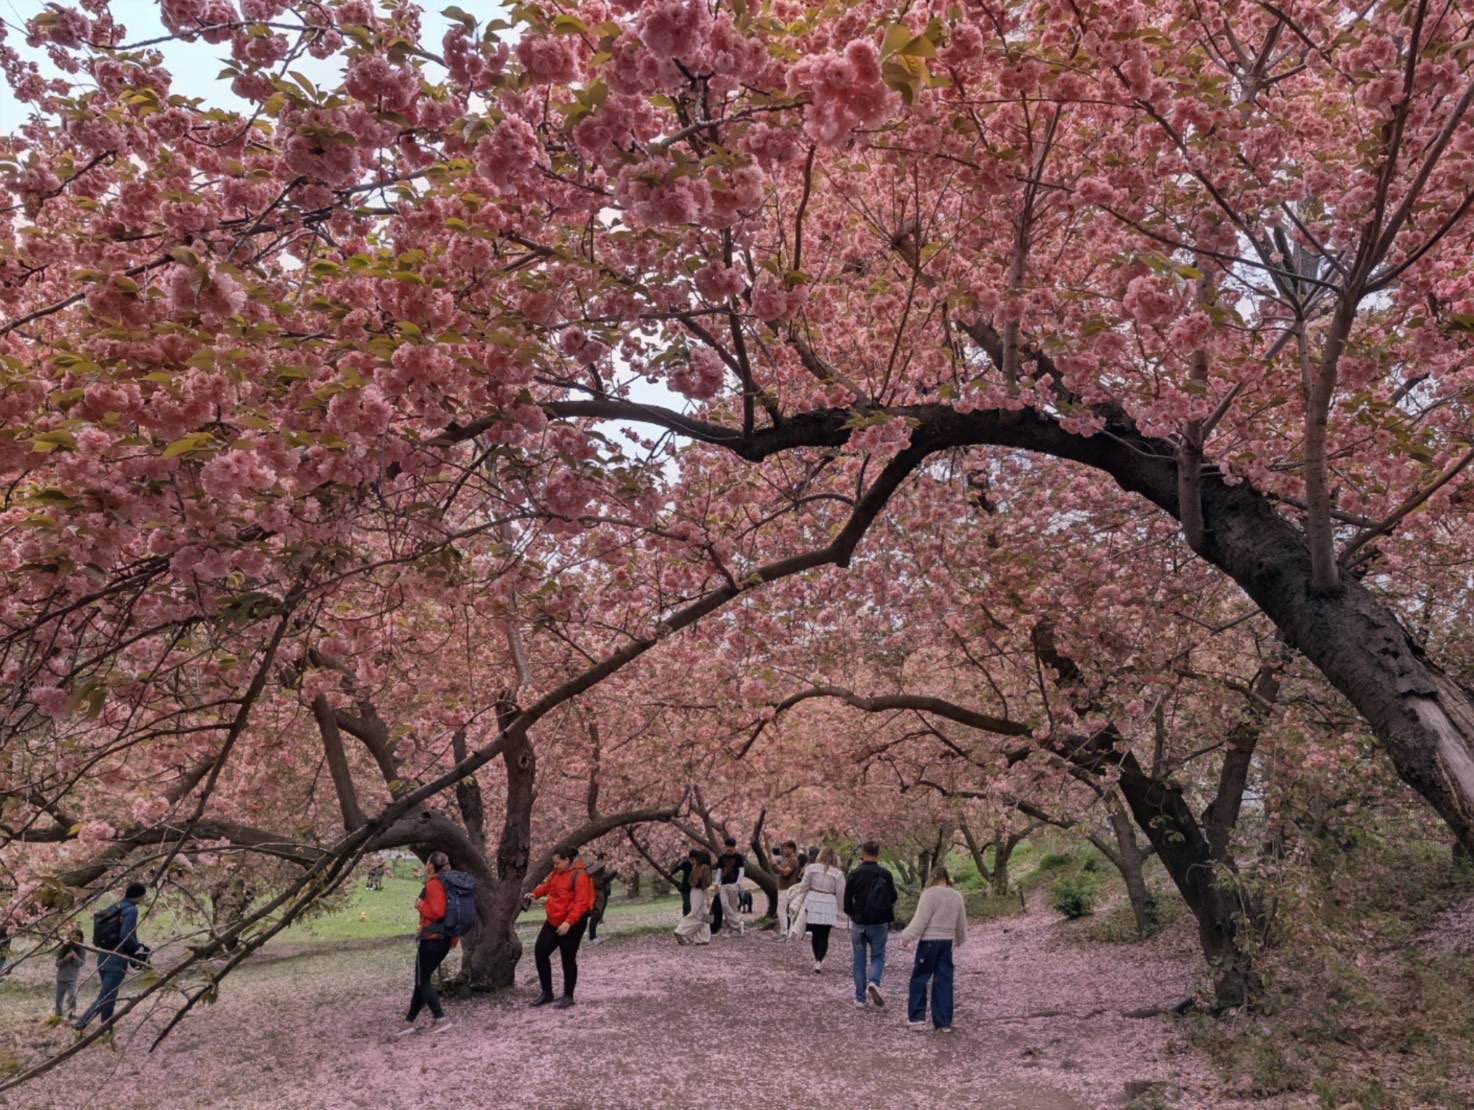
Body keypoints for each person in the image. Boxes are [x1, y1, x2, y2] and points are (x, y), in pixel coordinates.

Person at [393, 852, 459, 1038]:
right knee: (421, 980)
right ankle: (408, 1022)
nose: (426, 865)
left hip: (432, 940)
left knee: (422, 981)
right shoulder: (450, 883)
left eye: (427, 862)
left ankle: (441, 1019)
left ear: (431, 865)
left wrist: (420, 905)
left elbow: (437, 912)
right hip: (445, 939)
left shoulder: (434, 884)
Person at [525, 845, 594, 1009]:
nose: (555, 866)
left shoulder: (580, 875)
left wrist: (568, 922)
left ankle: (568, 996)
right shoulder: (557, 872)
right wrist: (536, 893)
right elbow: (549, 886)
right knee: (540, 952)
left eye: (557, 863)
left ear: (568, 860)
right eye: (554, 863)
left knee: (567, 958)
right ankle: (547, 993)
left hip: (573, 922)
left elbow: (581, 903)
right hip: (554, 919)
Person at [74, 881, 148, 1033]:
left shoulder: (117, 906)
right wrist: (138, 949)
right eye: (143, 896)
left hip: (103, 956)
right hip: (117, 958)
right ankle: (81, 1023)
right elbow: (125, 936)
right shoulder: (131, 910)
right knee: (107, 996)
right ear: (139, 896)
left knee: (110, 995)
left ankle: (106, 1029)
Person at [901, 866, 967, 1032]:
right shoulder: (957, 896)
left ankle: (917, 1017)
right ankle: (943, 1022)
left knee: (920, 977)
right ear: (947, 878)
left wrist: (907, 936)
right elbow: (961, 922)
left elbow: (920, 920)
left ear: (932, 877)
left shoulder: (929, 894)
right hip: (946, 942)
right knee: (944, 980)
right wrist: (960, 939)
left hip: (929, 941)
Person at [844, 840, 898, 1009]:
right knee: (878, 956)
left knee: (859, 960)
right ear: (878, 853)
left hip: (859, 922)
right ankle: (874, 981)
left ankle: (860, 998)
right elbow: (893, 897)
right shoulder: (885, 874)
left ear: (863, 852)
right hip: (879, 921)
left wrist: (853, 913)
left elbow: (846, 901)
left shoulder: (854, 874)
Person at [795, 847, 845, 973]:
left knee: (816, 934)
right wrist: (840, 909)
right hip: (829, 903)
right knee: (824, 935)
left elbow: (804, 885)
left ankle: (816, 959)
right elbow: (840, 892)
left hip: (813, 900)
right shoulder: (838, 873)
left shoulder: (811, 868)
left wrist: (800, 896)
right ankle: (819, 961)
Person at [674, 851, 714, 945]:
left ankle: (702, 939)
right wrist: (708, 898)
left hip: (694, 891)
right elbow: (704, 884)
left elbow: (690, 881)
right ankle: (681, 930)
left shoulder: (695, 867)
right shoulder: (705, 868)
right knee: (699, 915)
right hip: (701, 892)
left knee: (703, 915)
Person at [715, 837, 746, 936]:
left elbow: (741, 871)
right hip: (723, 885)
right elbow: (719, 872)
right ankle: (738, 925)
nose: (728, 848)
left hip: (733, 885)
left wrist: (738, 884)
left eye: (731, 846)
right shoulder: (721, 858)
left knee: (733, 908)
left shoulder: (739, 857)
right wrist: (716, 883)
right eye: (727, 846)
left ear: (734, 847)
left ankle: (730, 929)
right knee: (724, 905)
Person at [55, 927, 86, 1020]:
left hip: (72, 978)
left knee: (72, 997)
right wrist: (65, 959)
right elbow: (57, 963)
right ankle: (58, 1016)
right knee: (59, 999)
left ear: (81, 938)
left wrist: (75, 957)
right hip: (61, 978)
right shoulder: (64, 948)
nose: (75, 937)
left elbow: (80, 964)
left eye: (78, 936)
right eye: (73, 935)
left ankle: (71, 1014)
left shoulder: (82, 950)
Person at [774, 841, 803, 941]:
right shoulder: (786, 859)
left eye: (786, 848)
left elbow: (786, 872)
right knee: (783, 910)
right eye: (783, 848)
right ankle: (787, 932)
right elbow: (779, 870)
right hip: (782, 888)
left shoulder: (793, 860)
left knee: (781, 910)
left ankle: (784, 933)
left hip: (788, 889)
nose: (784, 850)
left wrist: (776, 866)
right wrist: (774, 866)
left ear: (792, 849)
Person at [586, 853, 617, 945]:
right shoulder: (596, 871)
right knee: (596, 915)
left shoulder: (600, 870)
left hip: (603, 894)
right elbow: (604, 879)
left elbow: (606, 878)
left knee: (598, 915)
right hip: (598, 896)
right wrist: (614, 873)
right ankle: (592, 936)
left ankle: (593, 935)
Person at [670, 853, 695, 918]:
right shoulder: (686, 864)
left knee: (688, 901)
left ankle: (687, 915)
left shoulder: (692, 864)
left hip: (691, 885)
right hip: (687, 886)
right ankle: (686, 915)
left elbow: (676, 869)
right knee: (686, 901)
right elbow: (676, 869)